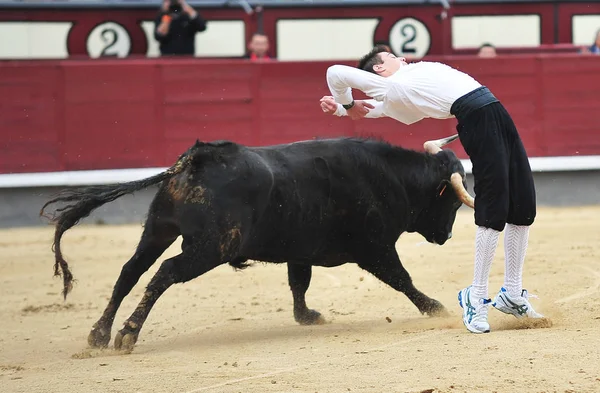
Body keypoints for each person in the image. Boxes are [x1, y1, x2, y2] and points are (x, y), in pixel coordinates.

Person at [319, 45, 544, 334]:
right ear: (378, 69)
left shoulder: (407, 82)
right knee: (494, 208)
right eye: (391, 57)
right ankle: (475, 296)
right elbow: (335, 73)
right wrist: (347, 106)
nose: (401, 57)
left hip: (495, 112)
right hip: (476, 118)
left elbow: (376, 110)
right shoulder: (393, 84)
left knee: (522, 205)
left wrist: (342, 108)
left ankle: (512, 293)